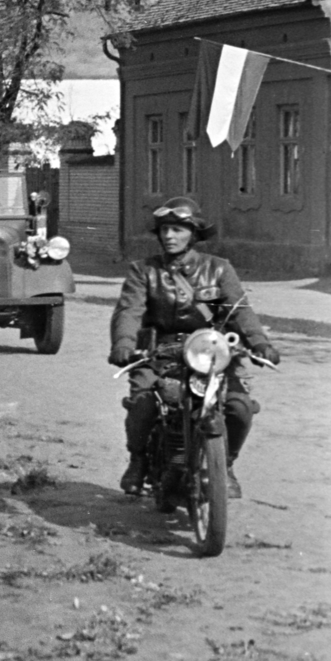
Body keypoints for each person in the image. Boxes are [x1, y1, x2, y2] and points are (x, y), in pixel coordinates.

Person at [109, 197, 279, 499]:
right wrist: (124, 344)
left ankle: (224, 464)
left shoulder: (217, 270)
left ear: (194, 234)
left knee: (239, 408)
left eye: (177, 229)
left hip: (209, 352)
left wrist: (260, 343)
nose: (169, 236)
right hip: (160, 352)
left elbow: (237, 311)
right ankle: (138, 460)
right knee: (143, 403)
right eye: (164, 229)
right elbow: (129, 311)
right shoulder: (144, 271)